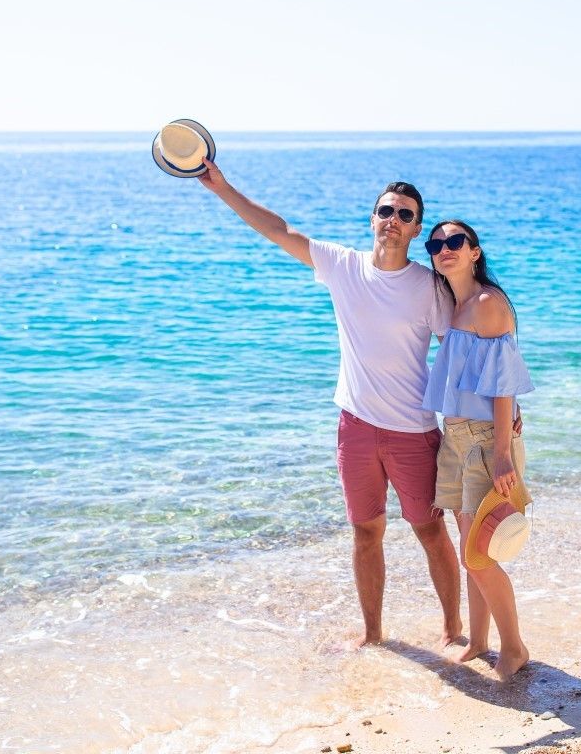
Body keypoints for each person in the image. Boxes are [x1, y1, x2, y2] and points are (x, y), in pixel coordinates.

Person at [197, 157, 463, 648]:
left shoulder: (429, 287)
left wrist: (492, 417)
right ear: (372, 218)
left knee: (429, 532)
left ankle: (453, 630)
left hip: (413, 431)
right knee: (366, 533)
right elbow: (279, 230)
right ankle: (374, 636)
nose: (394, 221)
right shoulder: (343, 266)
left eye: (405, 215)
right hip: (355, 428)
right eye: (387, 210)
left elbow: (461, 351)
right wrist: (221, 188)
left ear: (416, 229)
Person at [422, 218, 534, 680]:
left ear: (474, 251)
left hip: (488, 441)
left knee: (479, 553)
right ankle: (480, 641)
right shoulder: (455, 303)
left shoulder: (487, 304)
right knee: (471, 546)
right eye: (435, 244)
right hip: (457, 438)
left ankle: (514, 647)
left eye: (455, 242)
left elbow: (503, 385)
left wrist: (505, 452)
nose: (444, 249)